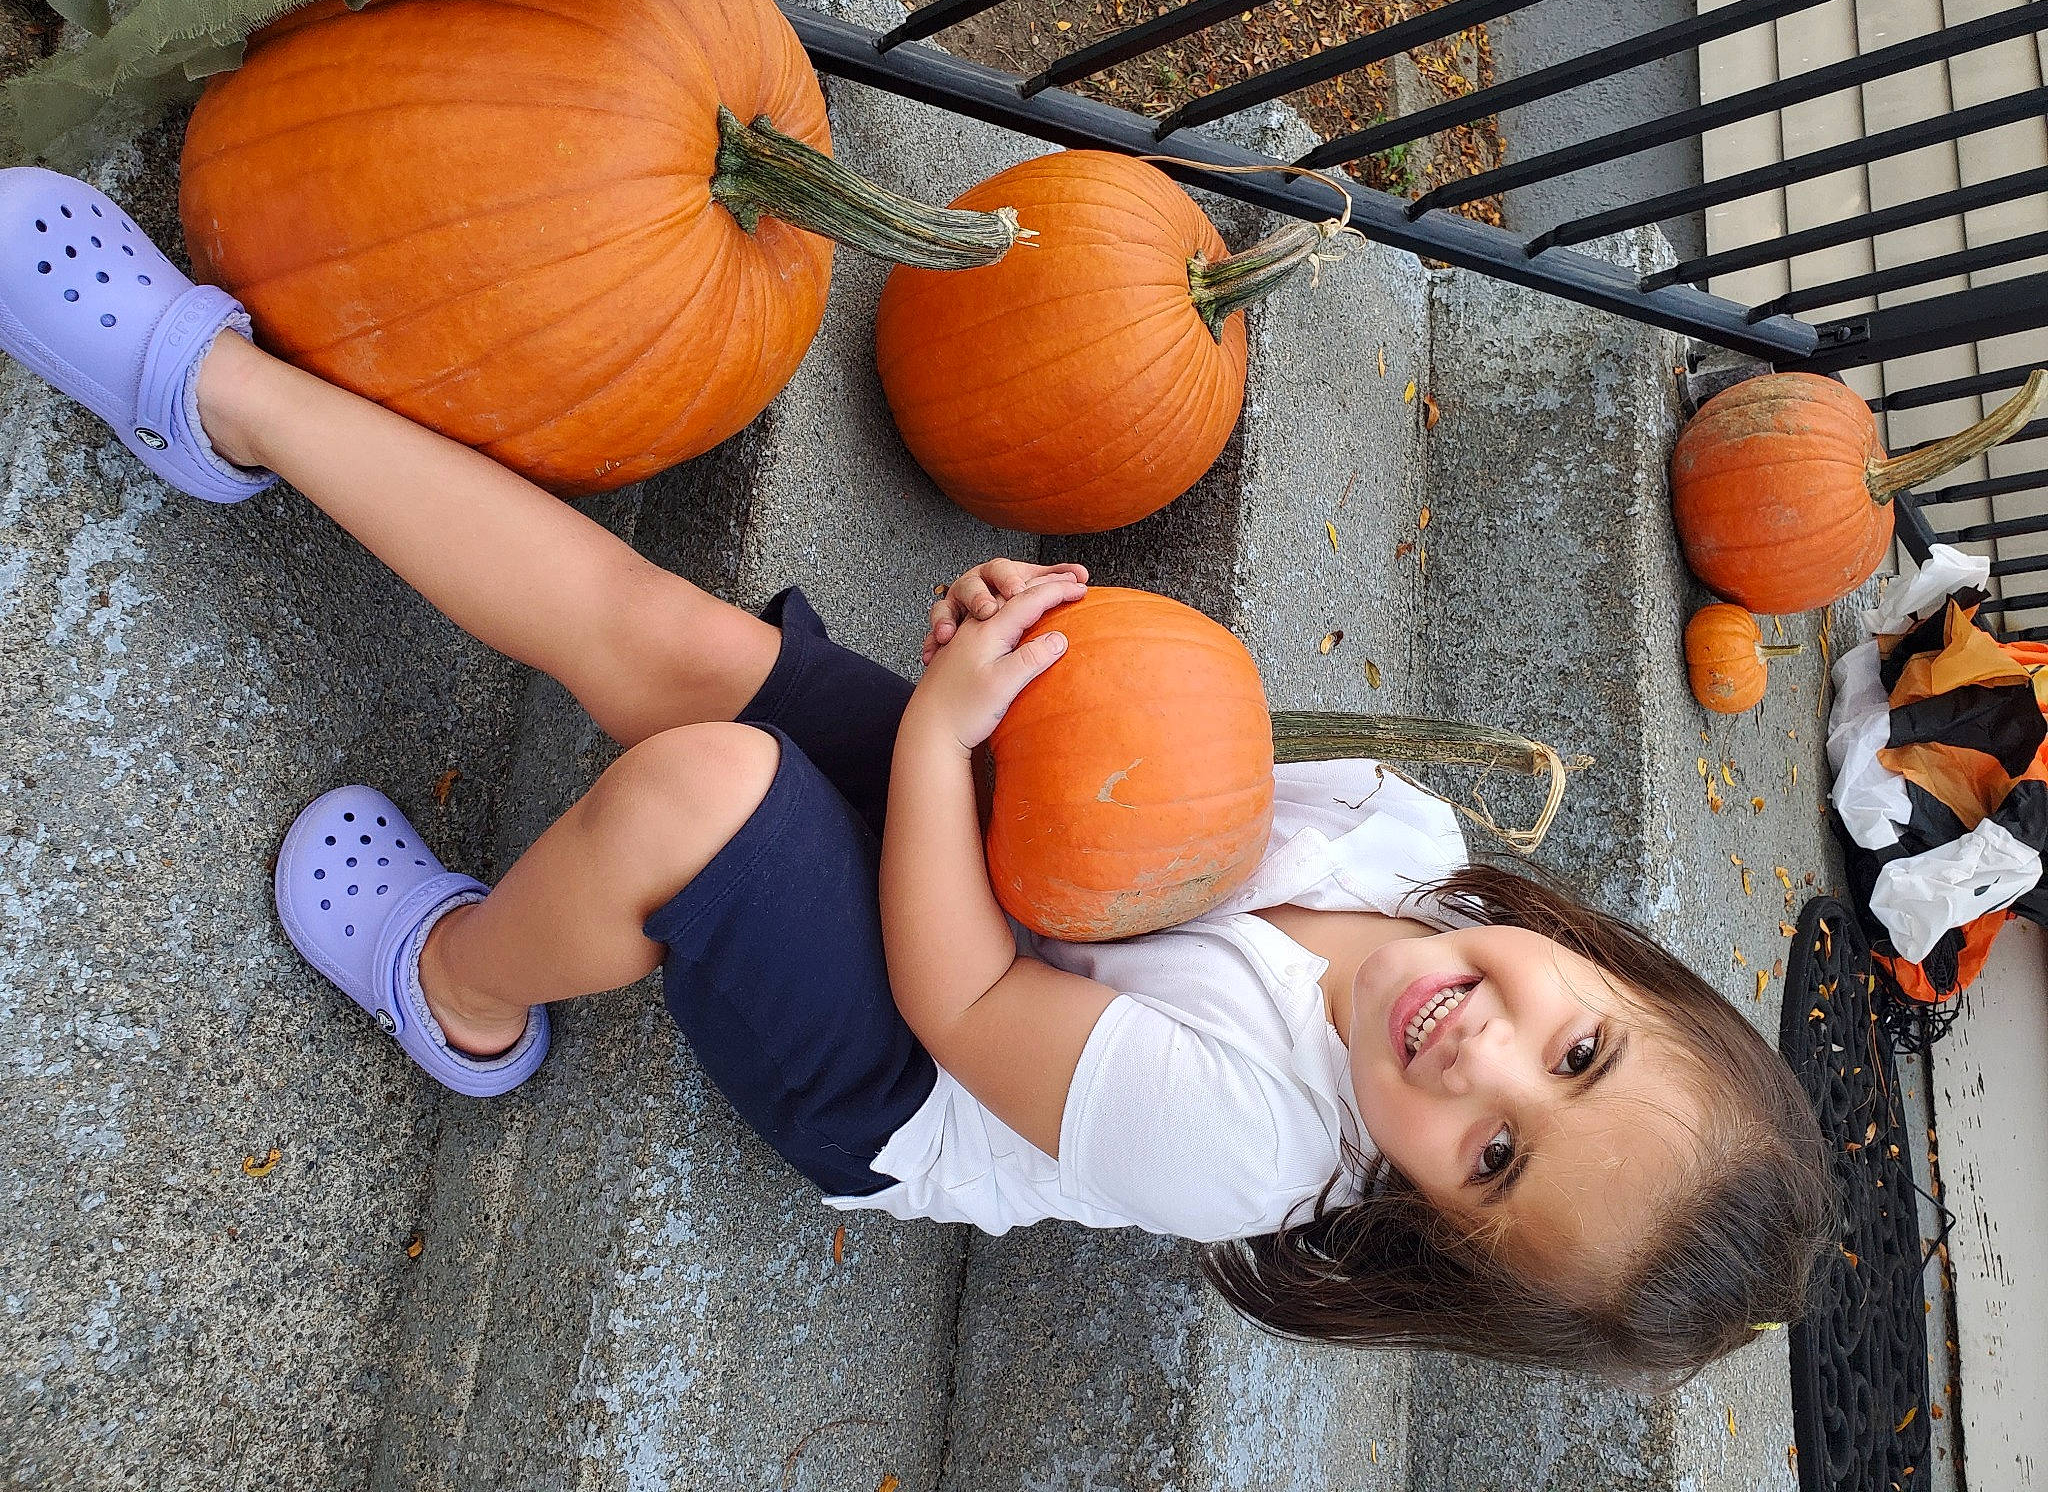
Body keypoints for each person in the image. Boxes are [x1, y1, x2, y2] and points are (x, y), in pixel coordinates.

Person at [0, 165, 1835, 1384]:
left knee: (702, 785)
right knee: (675, 641)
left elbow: (965, 1002)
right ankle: (221, 397)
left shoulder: (1253, 1143)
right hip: (1020, 885)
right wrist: (1022, 656)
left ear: (1441, 1230)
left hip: (905, 1073)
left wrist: (947, 739)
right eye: (1578, 1044)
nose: (1484, 1059)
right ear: (1620, 973)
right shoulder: (1411, 844)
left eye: (1500, 1153)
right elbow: (1128, 783)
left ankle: (463, 992)